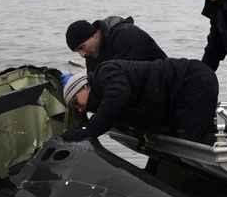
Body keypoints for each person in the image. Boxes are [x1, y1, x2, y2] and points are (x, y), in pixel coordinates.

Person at [60, 58, 218, 144]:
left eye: (75, 103)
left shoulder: (105, 72)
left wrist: (89, 130)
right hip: (181, 93)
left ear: (84, 87)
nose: (79, 109)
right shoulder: (103, 97)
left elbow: (118, 95)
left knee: (195, 140)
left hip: (192, 81)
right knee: (188, 137)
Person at [65, 16, 166, 73]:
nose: (82, 54)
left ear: (94, 34)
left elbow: (124, 77)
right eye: (78, 51)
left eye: (82, 47)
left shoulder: (126, 35)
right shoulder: (92, 53)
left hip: (163, 85)